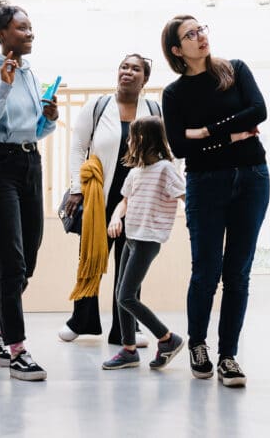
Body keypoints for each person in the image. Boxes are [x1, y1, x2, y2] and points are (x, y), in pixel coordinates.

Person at [160, 15, 270, 388]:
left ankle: (228, 356)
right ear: (177, 50)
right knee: (206, 272)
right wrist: (229, 134)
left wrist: (206, 132)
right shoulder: (174, 94)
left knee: (238, 273)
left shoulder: (235, 70)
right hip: (205, 184)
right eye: (189, 35)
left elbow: (259, 112)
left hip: (252, 177)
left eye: (201, 29)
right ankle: (197, 345)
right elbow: (178, 145)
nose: (200, 36)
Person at [0, 0, 59, 382]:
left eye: (30, 26)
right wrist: (2, 89)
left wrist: (49, 119)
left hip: (29, 164)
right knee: (11, 264)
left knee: (28, 262)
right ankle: (16, 350)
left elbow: (34, 129)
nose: (30, 32)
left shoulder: (30, 72)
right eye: (22, 27)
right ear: (2, 34)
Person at [59, 54, 161, 346]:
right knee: (91, 258)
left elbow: (163, 150)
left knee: (130, 266)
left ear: (145, 78)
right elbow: (78, 148)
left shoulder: (153, 109)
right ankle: (82, 320)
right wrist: (76, 188)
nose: (128, 72)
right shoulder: (98, 106)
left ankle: (126, 330)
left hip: (136, 200)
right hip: (98, 198)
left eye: (136, 69)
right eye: (124, 67)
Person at [100, 116, 187, 371]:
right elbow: (124, 201)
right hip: (131, 236)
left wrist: (195, 221)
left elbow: (184, 196)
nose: (128, 141)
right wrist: (116, 217)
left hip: (148, 239)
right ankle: (128, 350)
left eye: (132, 136)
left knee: (126, 295)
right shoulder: (136, 171)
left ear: (145, 139)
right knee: (121, 295)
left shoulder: (165, 169)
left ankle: (167, 338)